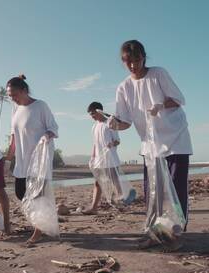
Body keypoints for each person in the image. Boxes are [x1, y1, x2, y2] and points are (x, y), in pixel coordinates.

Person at [109, 40, 193, 250]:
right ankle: (155, 232)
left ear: (143, 57)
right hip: (151, 144)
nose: (132, 66)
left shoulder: (158, 74)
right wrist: (113, 124)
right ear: (123, 61)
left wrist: (161, 105)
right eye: (128, 62)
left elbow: (179, 99)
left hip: (175, 138)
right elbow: (126, 123)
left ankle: (175, 234)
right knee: (152, 192)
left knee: (175, 187)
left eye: (136, 60)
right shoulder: (124, 87)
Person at [5, 74, 59, 244]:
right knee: (21, 193)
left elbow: (53, 128)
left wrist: (46, 136)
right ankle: (40, 224)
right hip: (22, 160)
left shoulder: (40, 106)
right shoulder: (15, 110)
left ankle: (38, 230)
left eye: (14, 94)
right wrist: (8, 159)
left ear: (24, 90)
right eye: (9, 95)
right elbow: (13, 137)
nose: (12, 98)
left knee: (37, 196)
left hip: (39, 159)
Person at [83, 101, 135, 215]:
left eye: (93, 113)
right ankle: (94, 207)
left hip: (111, 159)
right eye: (90, 114)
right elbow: (95, 144)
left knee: (115, 182)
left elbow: (117, 141)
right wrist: (92, 157)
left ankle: (122, 203)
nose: (92, 116)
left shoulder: (110, 123)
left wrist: (111, 144)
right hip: (99, 160)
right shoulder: (95, 126)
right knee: (97, 182)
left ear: (99, 111)